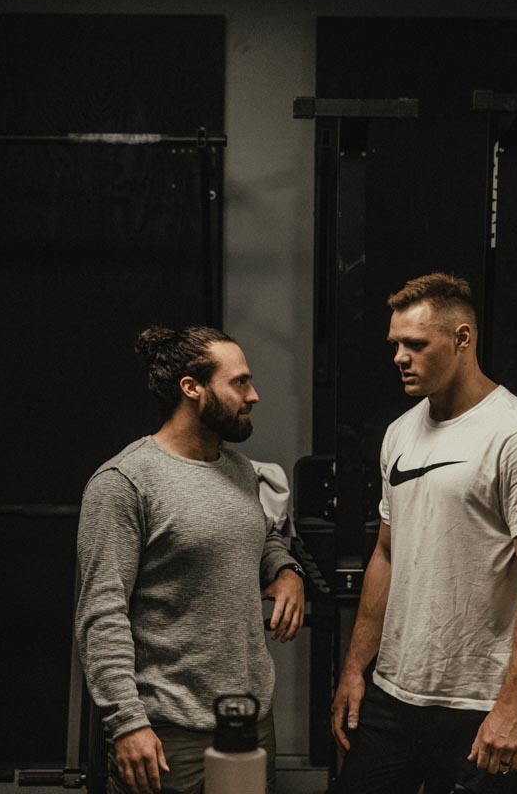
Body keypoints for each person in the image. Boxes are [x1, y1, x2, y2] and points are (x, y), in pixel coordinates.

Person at [332, 273, 517, 793]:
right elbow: (386, 554)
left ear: (462, 339)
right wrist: (355, 668)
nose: (400, 357)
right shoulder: (400, 432)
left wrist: (513, 706)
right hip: (396, 693)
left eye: (416, 344)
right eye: (395, 345)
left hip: (485, 702)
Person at [76, 325, 305, 794]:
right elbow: (102, 614)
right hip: (166, 733)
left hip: (249, 721)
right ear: (192, 388)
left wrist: (285, 570)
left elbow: (258, 535)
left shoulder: (240, 471)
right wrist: (127, 723)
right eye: (239, 382)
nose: (254, 395)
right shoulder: (124, 482)